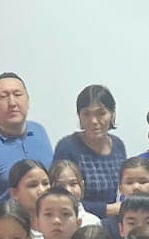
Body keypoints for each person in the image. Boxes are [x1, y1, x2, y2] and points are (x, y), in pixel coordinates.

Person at [0, 73, 54, 199]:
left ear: (28, 100)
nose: (12, 103)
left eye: (18, 95)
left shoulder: (39, 131)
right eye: (3, 96)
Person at [53, 85, 127, 221]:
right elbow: (60, 198)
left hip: (117, 223)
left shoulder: (118, 145)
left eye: (101, 113)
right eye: (86, 114)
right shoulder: (67, 147)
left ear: (112, 114)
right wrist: (108, 209)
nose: (93, 121)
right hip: (79, 222)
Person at [47, 159, 104, 229]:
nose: (68, 190)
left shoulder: (92, 222)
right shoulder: (46, 221)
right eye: (60, 186)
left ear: (82, 186)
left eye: (73, 184)